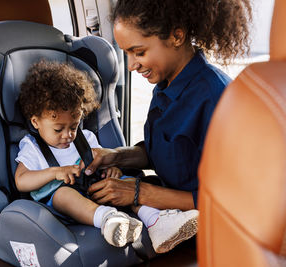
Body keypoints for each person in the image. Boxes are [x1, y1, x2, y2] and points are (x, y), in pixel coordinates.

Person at [83, 0, 252, 253]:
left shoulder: (217, 98)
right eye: (126, 53)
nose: (130, 65)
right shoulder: (165, 87)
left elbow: (236, 202)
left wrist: (139, 193)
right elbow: (167, 153)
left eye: (139, 52)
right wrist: (114, 157)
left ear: (176, 36)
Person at [14, 60, 143, 248]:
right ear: (35, 122)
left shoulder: (86, 139)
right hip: (57, 205)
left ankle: (154, 217)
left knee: (123, 183)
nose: (68, 135)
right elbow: (21, 181)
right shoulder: (33, 147)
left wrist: (112, 169)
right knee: (63, 194)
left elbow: (100, 162)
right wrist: (54, 172)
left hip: (92, 190)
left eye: (74, 127)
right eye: (58, 130)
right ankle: (108, 220)